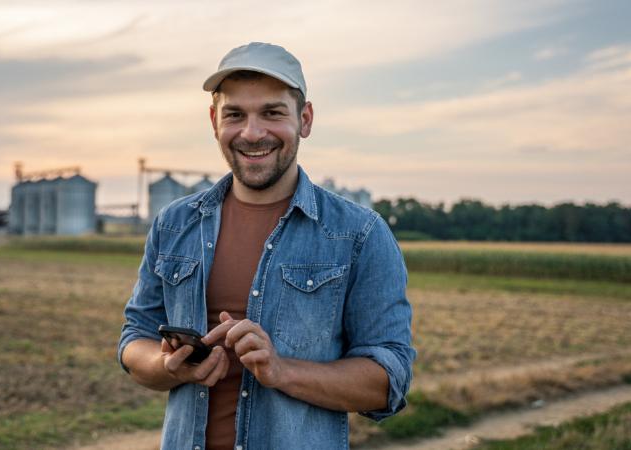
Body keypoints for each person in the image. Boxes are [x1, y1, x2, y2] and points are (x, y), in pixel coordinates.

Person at [118, 42, 415, 450]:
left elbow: (390, 381)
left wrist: (281, 371)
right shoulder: (174, 224)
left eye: (272, 113)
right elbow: (134, 340)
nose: (252, 133)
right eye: (234, 115)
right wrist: (170, 367)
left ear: (304, 119)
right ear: (213, 121)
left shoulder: (359, 234)